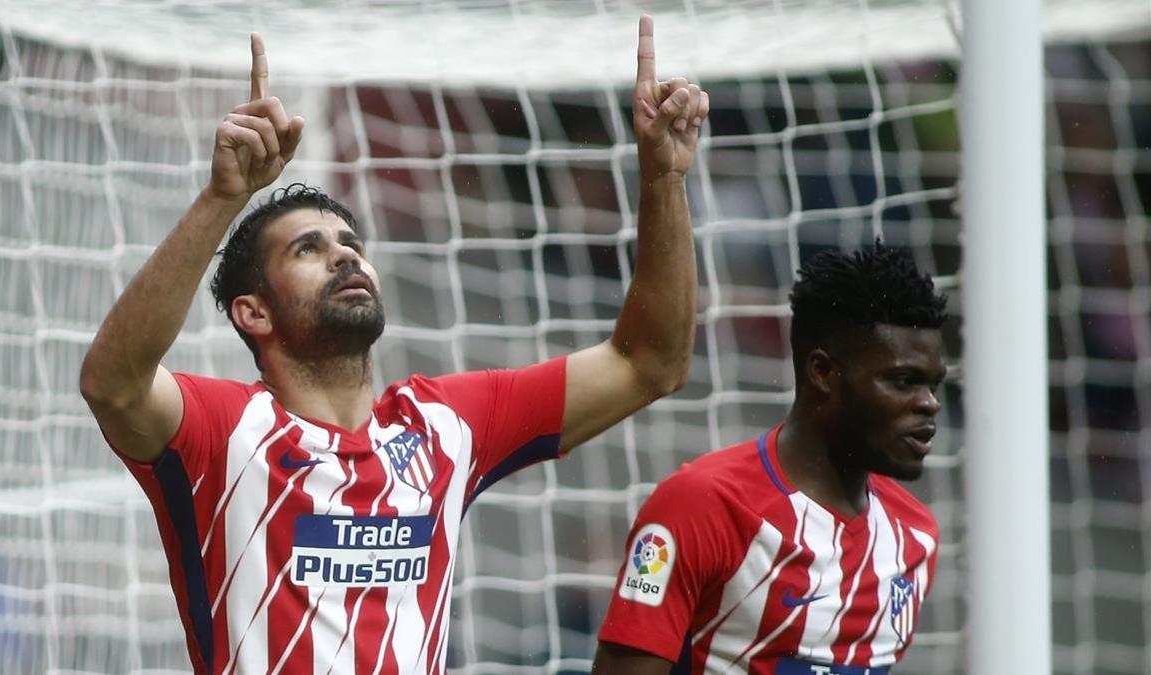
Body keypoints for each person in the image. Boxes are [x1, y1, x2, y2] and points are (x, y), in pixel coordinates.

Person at [78, 18, 709, 675]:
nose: (345, 257)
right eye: (309, 249)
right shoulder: (225, 432)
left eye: (351, 245)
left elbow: (650, 362)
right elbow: (112, 383)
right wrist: (222, 198)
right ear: (253, 311)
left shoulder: (442, 426)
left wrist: (663, 178)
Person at [592, 244, 948, 674]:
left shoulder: (915, 537)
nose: (929, 404)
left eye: (933, 385)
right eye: (904, 380)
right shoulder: (704, 506)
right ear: (822, 372)